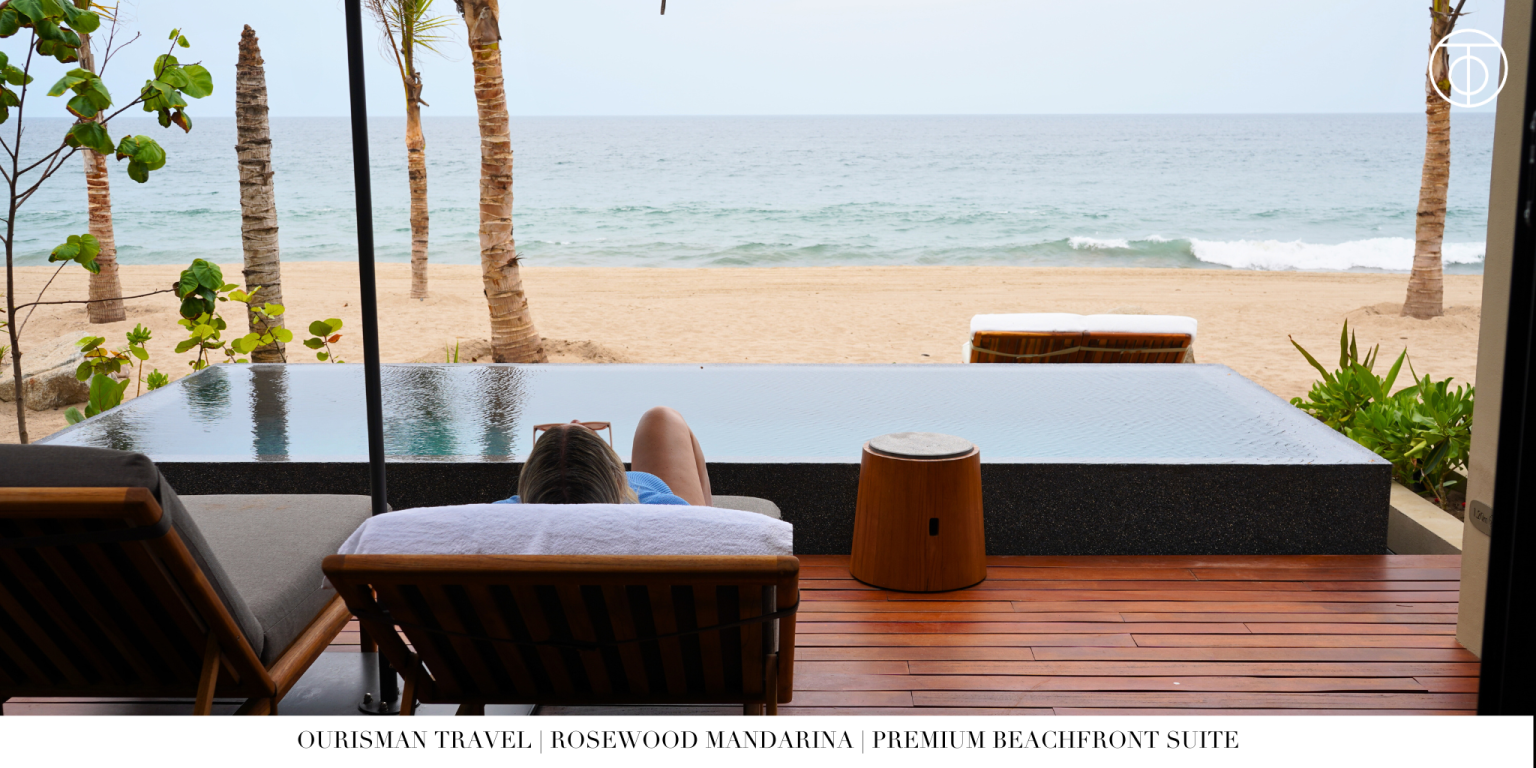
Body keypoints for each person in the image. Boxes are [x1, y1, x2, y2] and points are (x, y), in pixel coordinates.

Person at [498, 406, 713, 506]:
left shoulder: (502, 516)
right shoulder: (666, 512)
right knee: (662, 418)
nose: (575, 421)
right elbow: (702, 526)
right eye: (592, 433)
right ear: (617, 481)